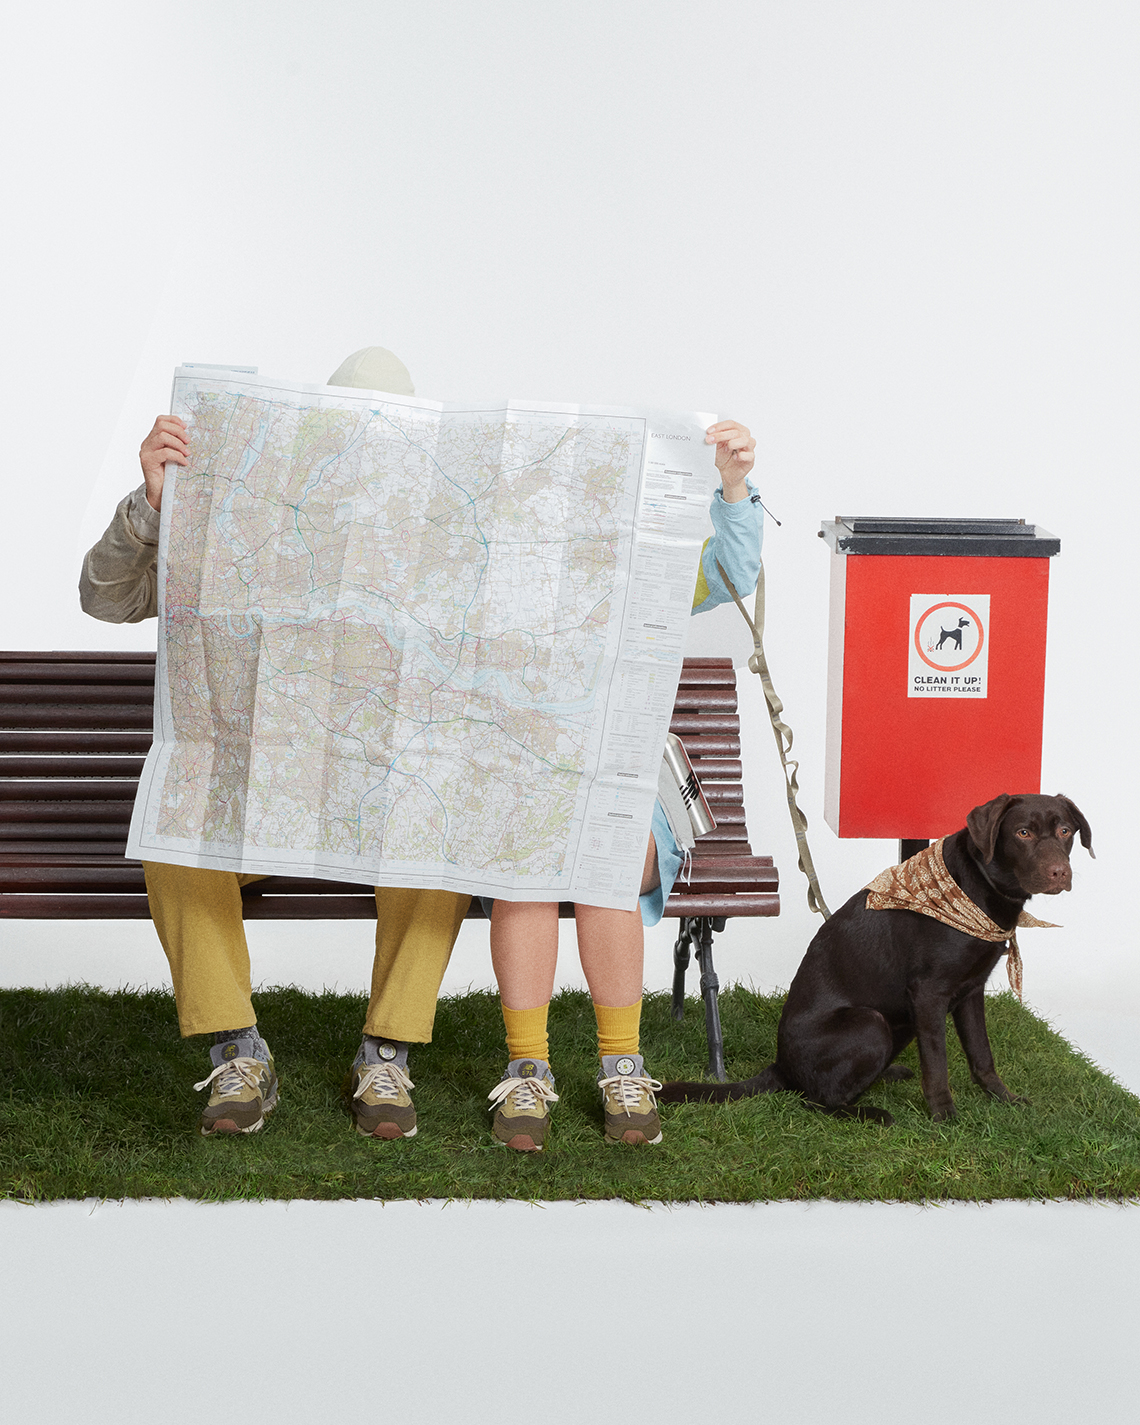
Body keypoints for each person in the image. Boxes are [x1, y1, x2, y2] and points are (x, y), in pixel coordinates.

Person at [80, 348, 470, 1140]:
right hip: (256, 801)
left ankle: (386, 1051)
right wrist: (152, 509)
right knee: (173, 832)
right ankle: (237, 1050)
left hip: (372, 804)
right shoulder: (240, 519)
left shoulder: (443, 548)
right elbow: (101, 598)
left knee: (441, 831)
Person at [484, 419, 762, 1151]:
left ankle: (622, 1064)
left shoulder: (652, 570)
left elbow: (736, 569)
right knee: (531, 860)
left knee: (601, 850)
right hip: (531, 800)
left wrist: (733, 485)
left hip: (629, 805)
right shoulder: (505, 585)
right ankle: (528, 1069)